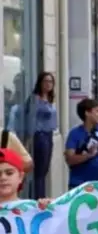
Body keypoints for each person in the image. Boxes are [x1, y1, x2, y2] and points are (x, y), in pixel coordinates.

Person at [65, 98, 98, 189]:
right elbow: (70, 160)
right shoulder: (74, 134)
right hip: (79, 185)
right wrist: (89, 155)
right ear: (87, 113)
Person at [23, 71, 57, 199]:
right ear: (40, 83)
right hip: (40, 135)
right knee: (40, 171)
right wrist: (27, 139)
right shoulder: (35, 99)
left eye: (51, 82)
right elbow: (30, 118)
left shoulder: (49, 99)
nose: (49, 84)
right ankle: (39, 198)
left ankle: (41, 196)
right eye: (46, 81)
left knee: (45, 169)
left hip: (49, 135)